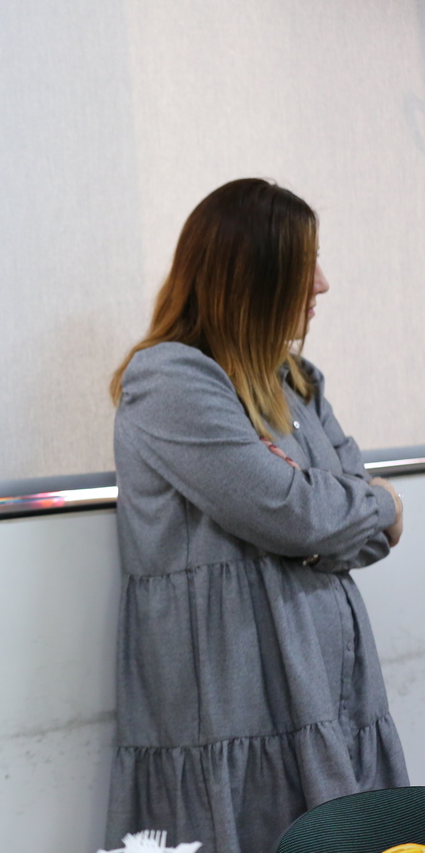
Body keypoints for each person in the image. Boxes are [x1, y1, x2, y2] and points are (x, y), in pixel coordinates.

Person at [106, 178, 407, 853]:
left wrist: (332, 507)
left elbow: (347, 528)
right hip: (235, 697)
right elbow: (294, 514)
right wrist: (373, 504)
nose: (322, 284)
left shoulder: (297, 380)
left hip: (331, 691)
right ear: (253, 276)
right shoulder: (171, 380)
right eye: (305, 265)